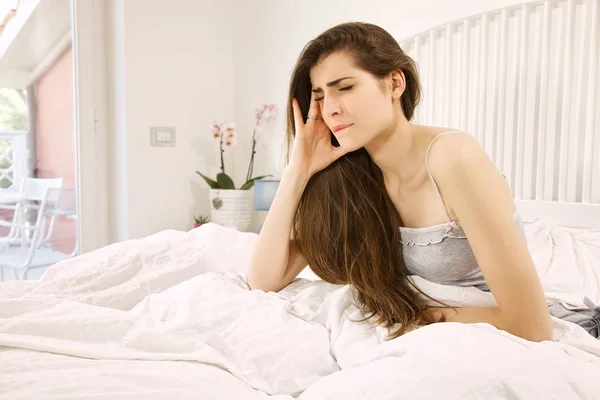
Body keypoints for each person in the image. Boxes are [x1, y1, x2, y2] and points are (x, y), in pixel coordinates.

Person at [248, 21, 555, 342]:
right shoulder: (347, 179)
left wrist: (418, 313)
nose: (331, 110)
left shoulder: (452, 156)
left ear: (395, 83)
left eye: (345, 87)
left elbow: (530, 324)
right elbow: (264, 280)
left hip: (484, 329)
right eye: (320, 96)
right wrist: (298, 170)